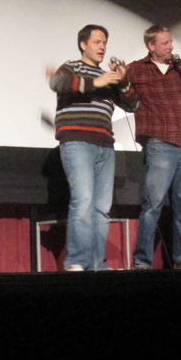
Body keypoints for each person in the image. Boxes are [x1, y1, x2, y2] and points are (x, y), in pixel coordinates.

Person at [49, 24, 138, 271]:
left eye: (104, 43)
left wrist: (123, 80)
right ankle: (77, 261)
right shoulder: (72, 67)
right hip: (77, 142)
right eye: (97, 42)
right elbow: (57, 82)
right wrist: (97, 81)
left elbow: (132, 105)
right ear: (83, 44)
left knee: (101, 209)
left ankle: (98, 265)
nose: (102, 47)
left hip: (105, 145)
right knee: (83, 200)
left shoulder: (108, 77)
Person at [126, 25, 181, 269]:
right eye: (165, 43)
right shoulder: (136, 69)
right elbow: (125, 100)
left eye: (171, 42)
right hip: (160, 143)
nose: (171, 47)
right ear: (151, 46)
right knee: (153, 205)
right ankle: (142, 261)